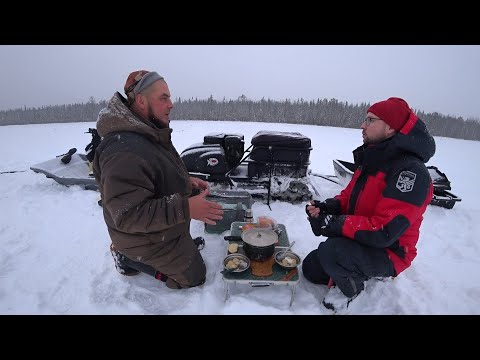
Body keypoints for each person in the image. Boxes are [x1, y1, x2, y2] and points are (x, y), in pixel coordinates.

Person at [93, 70, 224, 289]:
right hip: (140, 238)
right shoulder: (123, 150)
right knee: (195, 277)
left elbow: (156, 171)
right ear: (142, 101)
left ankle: (177, 247)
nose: (171, 104)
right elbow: (126, 215)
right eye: (163, 98)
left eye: (169, 97)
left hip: (159, 230)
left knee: (191, 260)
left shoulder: (149, 131)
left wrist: (185, 180)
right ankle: (127, 258)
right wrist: (185, 208)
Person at [303, 97, 436, 311]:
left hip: (389, 250)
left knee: (332, 253)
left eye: (370, 120)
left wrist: (336, 224)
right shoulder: (373, 156)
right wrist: (329, 208)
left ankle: (355, 292)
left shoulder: (410, 173)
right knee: (311, 268)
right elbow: (348, 197)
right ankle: (353, 266)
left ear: (391, 127)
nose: (362, 125)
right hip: (365, 239)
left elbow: (384, 230)